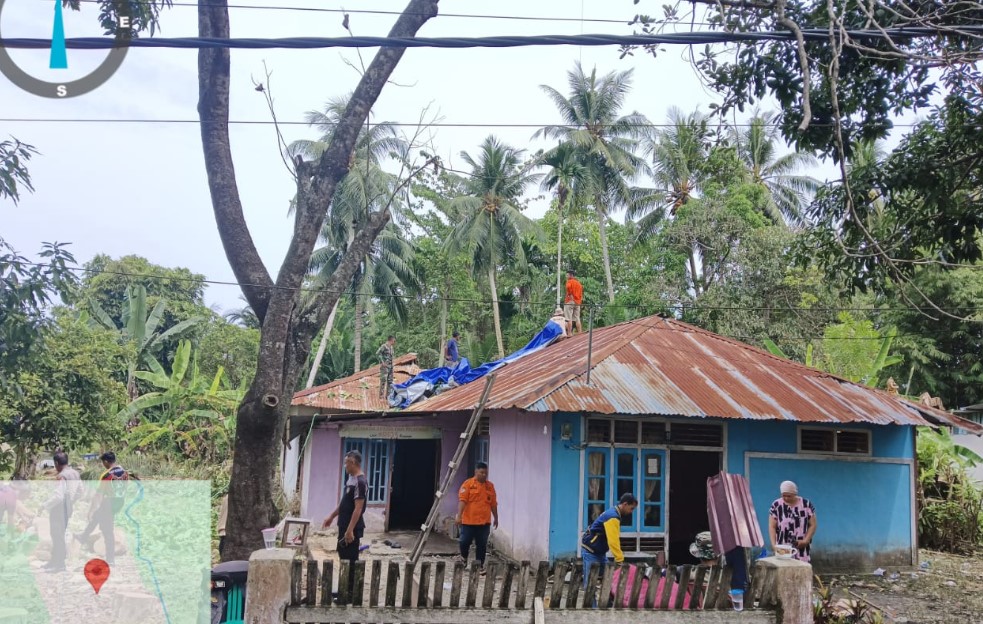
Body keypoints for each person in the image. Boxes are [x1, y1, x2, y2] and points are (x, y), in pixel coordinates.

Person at [323, 450, 368, 596]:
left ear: (353, 463)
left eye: (346, 462)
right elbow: (344, 504)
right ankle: (344, 589)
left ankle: (351, 593)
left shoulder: (361, 482)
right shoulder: (351, 480)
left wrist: (350, 530)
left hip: (352, 527)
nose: (345, 466)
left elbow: (358, 509)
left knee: (351, 560)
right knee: (343, 555)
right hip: (344, 524)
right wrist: (331, 516)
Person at [76, 451, 131, 565]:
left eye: (103, 462)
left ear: (106, 461)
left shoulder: (107, 475)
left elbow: (99, 494)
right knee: (97, 516)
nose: (103, 464)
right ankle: (84, 536)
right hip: (120, 501)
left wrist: (91, 509)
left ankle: (110, 559)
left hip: (109, 502)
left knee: (107, 530)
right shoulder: (124, 472)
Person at [580, 493, 638, 585]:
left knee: (610, 579)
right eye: (631, 508)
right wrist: (619, 559)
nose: (631, 512)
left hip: (599, 552)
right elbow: (613, 540)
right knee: (590, 584)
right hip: (590, 551)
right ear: (625, 504)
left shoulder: (613, 512)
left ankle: (606, 599)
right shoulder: (613, 517)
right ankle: (592, 600)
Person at [456, 462, 498, 575]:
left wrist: (496, 518)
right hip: (469, 521)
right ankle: (464, 558)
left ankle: (479, 566)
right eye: (482, 472)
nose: (484, 475)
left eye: (486, 473)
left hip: (484, 522)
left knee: (482, 544)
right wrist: (459, 516)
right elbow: (462, 501)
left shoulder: (490, 486)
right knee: (464, 541)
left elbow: (493, 504)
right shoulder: (468, 484)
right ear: (476, 472)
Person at [42, 452, 80, 572]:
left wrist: (45, 505)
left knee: (57, 535)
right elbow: (81, 490)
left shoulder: (62, 476)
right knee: (59, 534)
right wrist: (72, 501)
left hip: (58, 509)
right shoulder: (75, 473)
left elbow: (58, 496)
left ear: (57, 463)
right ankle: (54, 560)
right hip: (68, 508)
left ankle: (59, 564)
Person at [768, 480, 817, 562]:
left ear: (795, 494)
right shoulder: (776, 505)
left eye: (789, 496)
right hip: (782, 547)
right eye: (784, 495)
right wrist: (774, 545)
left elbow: (813, 524)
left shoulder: (806, 505)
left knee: (801, 571)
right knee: (783, 570)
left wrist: (806, 540)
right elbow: (772, 526)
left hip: (801, 548)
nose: (786, 498)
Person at [564, 270, 583, 335]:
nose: (566, 276)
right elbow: (581, 293)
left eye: (567, 275)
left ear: (571, 275)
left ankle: (569, 333)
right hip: (577, 302)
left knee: (568, 318)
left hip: (570, 301)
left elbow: (568, 287)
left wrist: (570, 294)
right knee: (577, 317)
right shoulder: (578, 283)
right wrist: (579, 300)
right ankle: (580, 332)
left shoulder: (569, 281)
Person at [377, 335, 396, 400]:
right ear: (390, 340)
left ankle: (388, 396)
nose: (394, 342)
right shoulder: (384, 346)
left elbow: (392, 356)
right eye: (394, 340)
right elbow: (378, 353)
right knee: (383, 381)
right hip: (385, 367)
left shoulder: (391, 347)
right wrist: (382, 362)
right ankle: (381, 396)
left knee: (390, 381)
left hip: (390, 366)